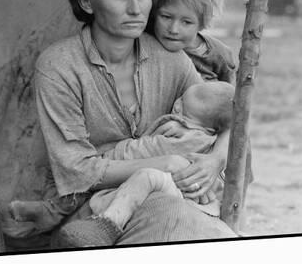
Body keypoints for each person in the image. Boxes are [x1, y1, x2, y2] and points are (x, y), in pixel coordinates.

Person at [11, 0, 236, 247]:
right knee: (180, 223)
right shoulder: (59, 66)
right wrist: (165, 163)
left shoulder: (170, 58)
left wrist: (214, 162)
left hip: (167, 194)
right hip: (97, 207)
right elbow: (78, 170)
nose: (135, 8)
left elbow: (223, 119)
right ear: (87, 2)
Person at [56, 81, 235, 247]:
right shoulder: (214, 141)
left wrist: (111, 154)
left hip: (182, 195)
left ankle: (109, 223)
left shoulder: (180, 137)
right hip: (206, 205)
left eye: (182, 110)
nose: (176, 104)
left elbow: (142, 151)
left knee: (147, 177)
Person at [147, 0, 254, 202]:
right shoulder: (146, 44)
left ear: (202, 23)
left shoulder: (219, 57)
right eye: (166, 16)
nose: (173, 28)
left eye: (186, 22)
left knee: (235, 168)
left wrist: (216, 159)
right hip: (169, 137)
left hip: (212, 139)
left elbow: (235, 116)